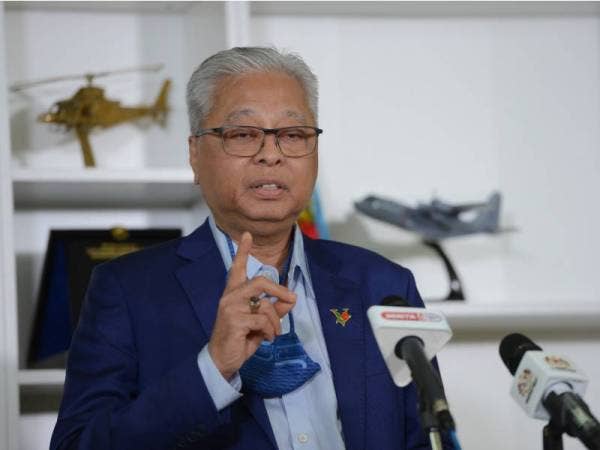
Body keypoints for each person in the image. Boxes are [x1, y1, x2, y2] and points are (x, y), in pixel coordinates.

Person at [51, 47, 448, 450]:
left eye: (293, 135)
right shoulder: (126, 290)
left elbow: (433, 436)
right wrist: (213, 369)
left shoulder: (383, 285)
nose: (271, 154)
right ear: (194, 154)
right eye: (242, 134)